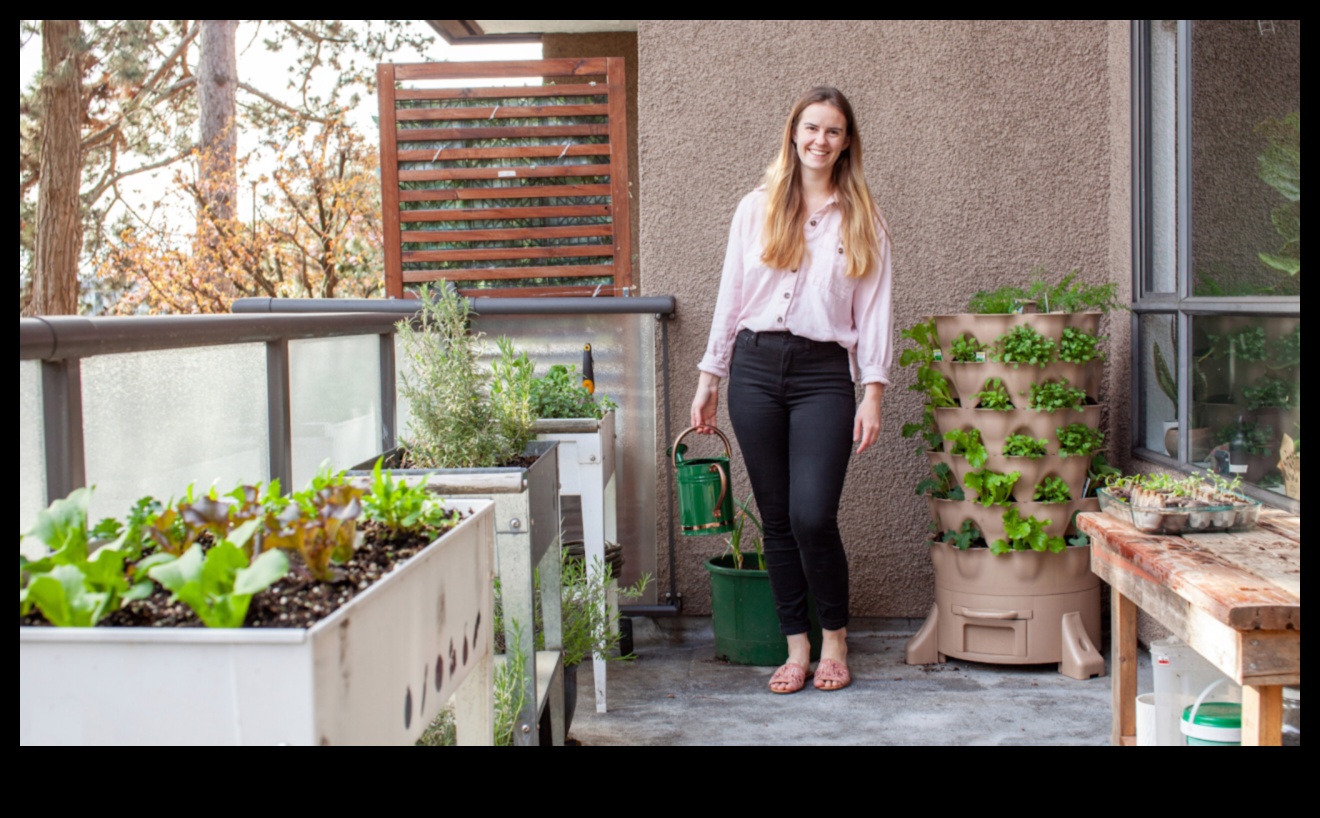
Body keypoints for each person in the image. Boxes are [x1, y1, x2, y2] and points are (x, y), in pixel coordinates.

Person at [691, 86, 893, 694]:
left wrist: (874, 390)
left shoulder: (863, 218)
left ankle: (835, 636)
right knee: (777, 517)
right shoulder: (755, 209)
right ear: (793, 133)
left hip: (823, 375)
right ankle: (796, 646)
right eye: (810, 128)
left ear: (846, 141)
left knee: (812, 514)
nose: (819, 140)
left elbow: (876, 309)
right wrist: (710, 378)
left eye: (832, 131)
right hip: (754, 368)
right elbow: (730, 299)